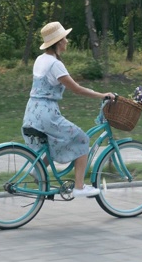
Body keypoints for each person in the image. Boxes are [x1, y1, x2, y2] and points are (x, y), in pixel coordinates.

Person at [21, 21, 115, 197]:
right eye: (64, 38)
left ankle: (38, 170)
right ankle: (79, 187)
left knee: (55, 141)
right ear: (58, 42)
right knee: (81, 139)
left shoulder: (40, 59)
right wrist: (102, 95)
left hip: (32, 112)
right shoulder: (55, 64)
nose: (67, 41)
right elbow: (77, 89)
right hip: (47, 115)